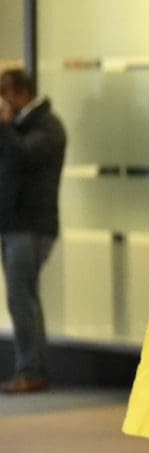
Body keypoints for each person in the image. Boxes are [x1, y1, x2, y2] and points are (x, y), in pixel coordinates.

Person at [0, 68, 67, 394]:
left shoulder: (48, 127)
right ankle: (32, 367)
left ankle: (32, 370)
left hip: (32, 227)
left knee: (21, 298)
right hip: (15, 225)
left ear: (17, 93)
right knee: (23, 298)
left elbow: (23, 156)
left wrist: (4, 127)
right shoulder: (19, 127)